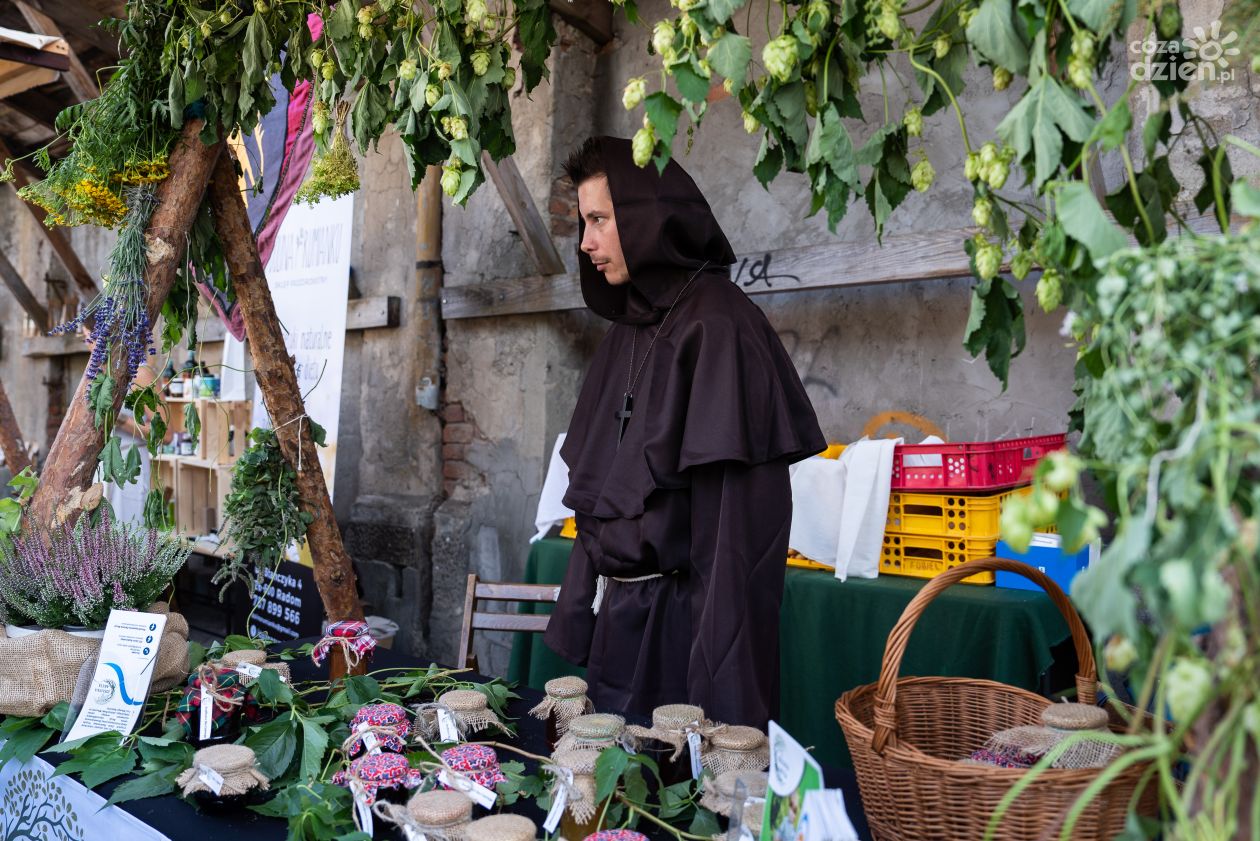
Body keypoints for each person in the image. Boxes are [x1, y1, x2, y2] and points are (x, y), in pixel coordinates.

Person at [542, 136, 826, 727]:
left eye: (598, 220)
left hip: (682, 645)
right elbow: (596, 500)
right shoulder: (629, 328)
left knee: (672, 800)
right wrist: (578, 616)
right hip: (616, 629)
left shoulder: (721, 328)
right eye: (584, 222)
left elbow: (735, 549)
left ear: (650, 220)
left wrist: (715, 709)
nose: (586, 242)